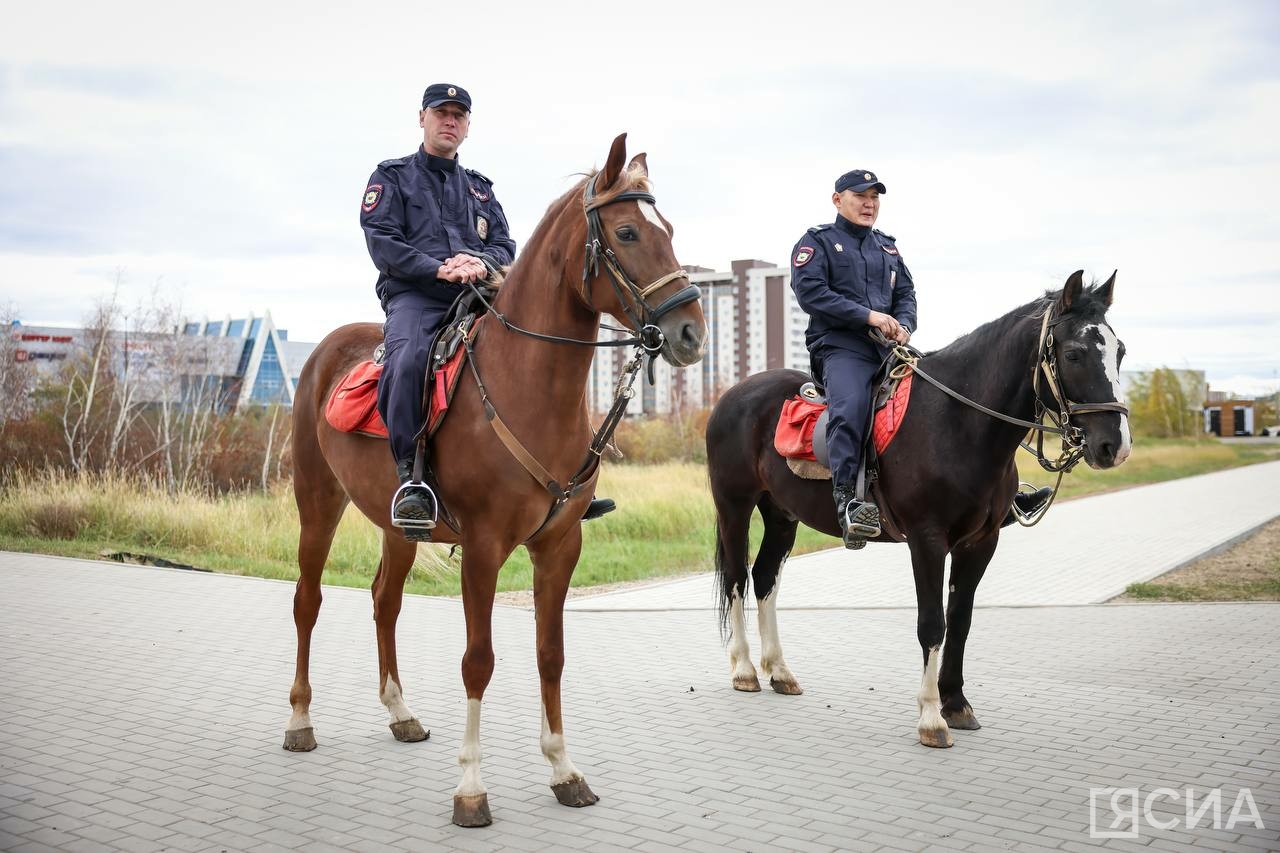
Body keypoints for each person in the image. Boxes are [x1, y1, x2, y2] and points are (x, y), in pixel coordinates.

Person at [360, 83, 612, 535]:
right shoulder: (391, 177)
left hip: (480, 293)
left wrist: (481, 261)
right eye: (441, 113)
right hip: (417, 297)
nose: (449, 121)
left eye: (459, 115)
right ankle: (410, 479)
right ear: (422, 118)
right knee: (409, 358)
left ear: (468, 126)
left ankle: (569, 479)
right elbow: (383, 241)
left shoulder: (479, 189)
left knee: (543, 353)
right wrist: (439, 269)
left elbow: (504, 244)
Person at [790, 170, 1050, 548]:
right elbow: (811, 293)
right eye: (860, 195)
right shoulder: (818, 243)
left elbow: (907, 295)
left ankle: (1003, 497)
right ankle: (848, 500)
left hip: (889, 350)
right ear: (837, 200)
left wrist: (905, 325)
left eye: (875, 197)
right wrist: (869, 316)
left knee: (956, 403)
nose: (869, 203)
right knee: (851, 407)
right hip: (841, 348)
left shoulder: (887, 248)